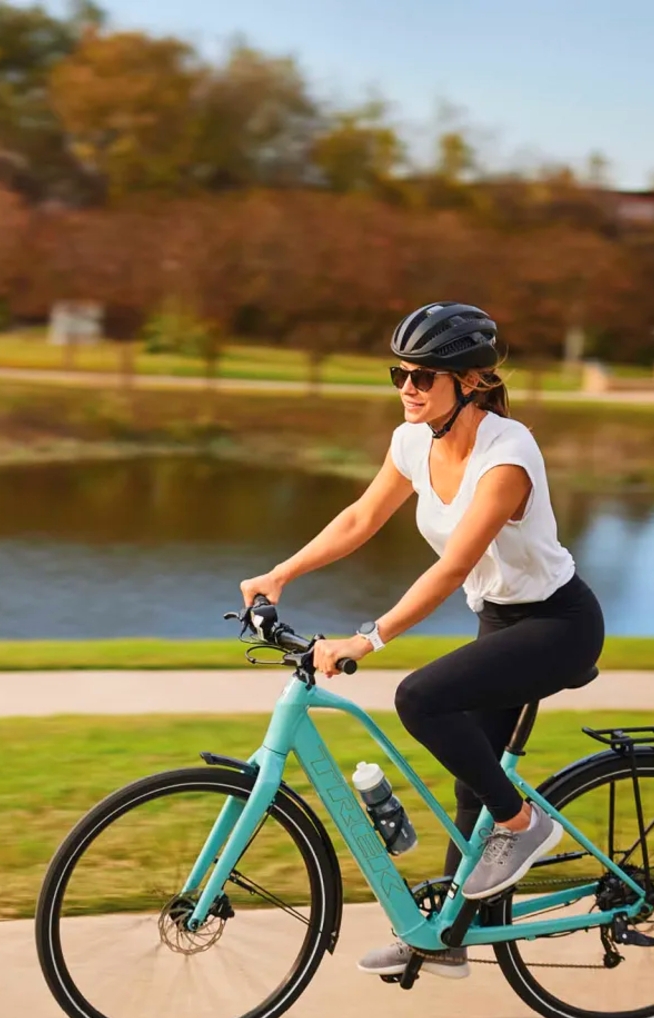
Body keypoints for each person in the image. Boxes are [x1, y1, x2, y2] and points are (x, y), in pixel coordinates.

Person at [238, 301, 605, 980]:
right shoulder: (413, 440)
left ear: (468, 381)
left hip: (558, 624)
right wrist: (281, 573)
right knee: (473, 785)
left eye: (423, 375)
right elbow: (359, 517)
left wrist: (368, 638)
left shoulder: (508, 453)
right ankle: (446, 937)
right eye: (399, 372)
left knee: (421, 698)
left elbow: (454, 566)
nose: (407, 386)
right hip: (500, 619)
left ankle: (525, 826)